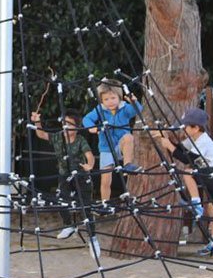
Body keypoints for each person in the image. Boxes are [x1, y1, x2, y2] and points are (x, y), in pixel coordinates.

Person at [151, 107, 213, 257]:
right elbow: (181, 149)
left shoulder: (203, 141)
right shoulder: (192, 140)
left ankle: (195, 202)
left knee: (188, 171)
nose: (183, 129)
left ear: (196, 128)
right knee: (212, 209)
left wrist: (169, 145)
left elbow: (188, 159)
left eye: (186, 127)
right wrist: (165, 138)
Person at [30, 109, 100, 241]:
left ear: (77, 127)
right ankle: (68, 225)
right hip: (64, 174)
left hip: (80, 175)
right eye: (64, 123)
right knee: (61, 200)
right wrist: (37, 122)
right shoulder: (58, 137)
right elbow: (41, 134)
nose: (66, 126)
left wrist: (89, 165)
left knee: (85, 206)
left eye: (69, 124)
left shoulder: (80, 140)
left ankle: (92, 237)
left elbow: (89, 155)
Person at [82, 82, 141, 208]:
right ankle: (105, 204)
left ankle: (127, 165)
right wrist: (93, 128)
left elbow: (136, 110)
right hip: (106, 147)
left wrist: (134, 102)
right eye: (106, 99)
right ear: (102, 100)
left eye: (113, 98)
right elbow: (86, 119)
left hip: (121, 145)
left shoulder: (124, 108)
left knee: (129, 137)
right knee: (105, 179)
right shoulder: (100, 109)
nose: (110, 102)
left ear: (119, 97)